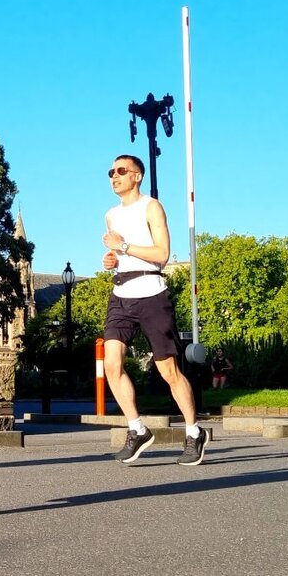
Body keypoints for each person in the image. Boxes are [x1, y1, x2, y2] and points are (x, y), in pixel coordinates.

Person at [101, 154, 210, 466]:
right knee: (111, 364)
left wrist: (121, 247)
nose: (114, 176)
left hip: (152, 293)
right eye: (111, 172)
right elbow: (117, 255)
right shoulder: (110, 215)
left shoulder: (151, 206)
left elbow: (161, 254)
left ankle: (193, 432)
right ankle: (137, 429)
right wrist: (111, 259)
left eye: (121, 171)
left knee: (168, 371)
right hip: (121, 293)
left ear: (137, 176)